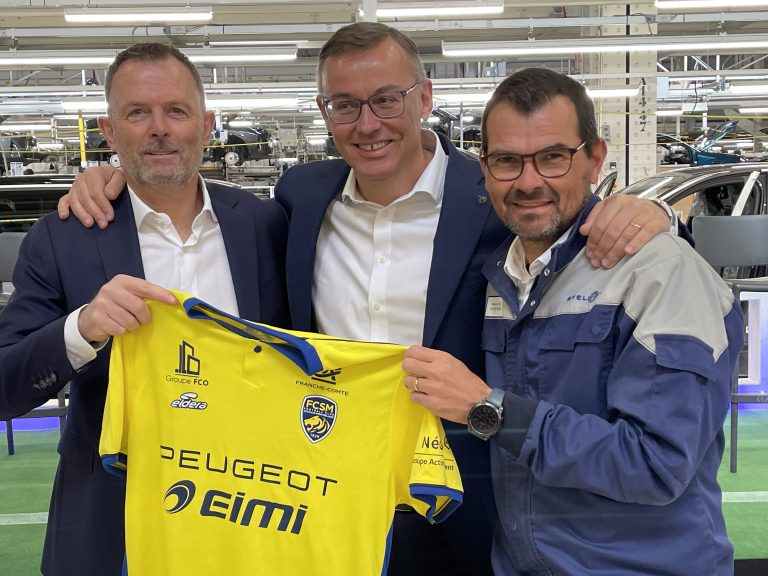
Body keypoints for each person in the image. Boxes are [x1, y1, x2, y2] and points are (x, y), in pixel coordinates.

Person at [57, 24, 680, 576]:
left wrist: (651, 213)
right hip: (322, 499)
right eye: (345, 105)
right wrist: (114, 175)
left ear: (424, 98)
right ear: (324, 111)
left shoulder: (494, 194)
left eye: (387, 99)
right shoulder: (301, 196)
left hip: (462, 496)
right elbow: (191, 198)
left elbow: (566, 218)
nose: (368, 123)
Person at [402, 67, 743, 575]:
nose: (529, 181)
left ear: (594, 158)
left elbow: (656, 464)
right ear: (485, 166)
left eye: (553, 157)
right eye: (507, 161)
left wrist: (488, 409)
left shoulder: (661, 273)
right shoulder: (502, 274)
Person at [0, 43, 289, 576]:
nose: (159, 128)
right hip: (112, 516)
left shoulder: (266, 223)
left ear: (206, 125)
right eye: (137, 113)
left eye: (176, 111)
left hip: (253, 506)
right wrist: (80, 329)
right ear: (110, 132)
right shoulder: (63, 237)